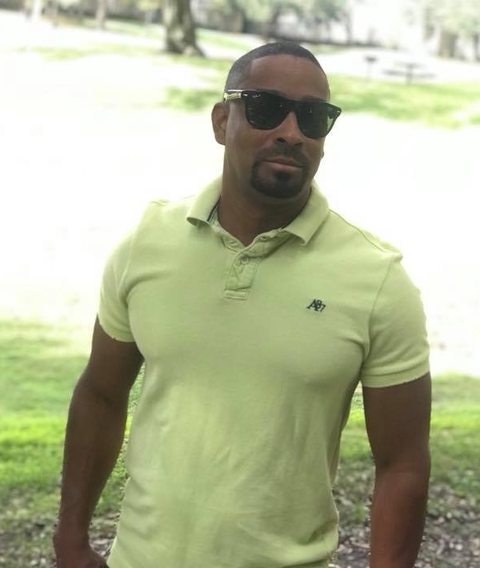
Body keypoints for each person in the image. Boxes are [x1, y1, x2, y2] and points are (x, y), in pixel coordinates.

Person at [53, 41, 431, 568]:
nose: (291, 132)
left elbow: (403, 464)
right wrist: (70, 539)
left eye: (313, 117)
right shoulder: (149, 243)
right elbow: (100, 394)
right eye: (266, 108)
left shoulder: (378, 280)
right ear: (220, 121)